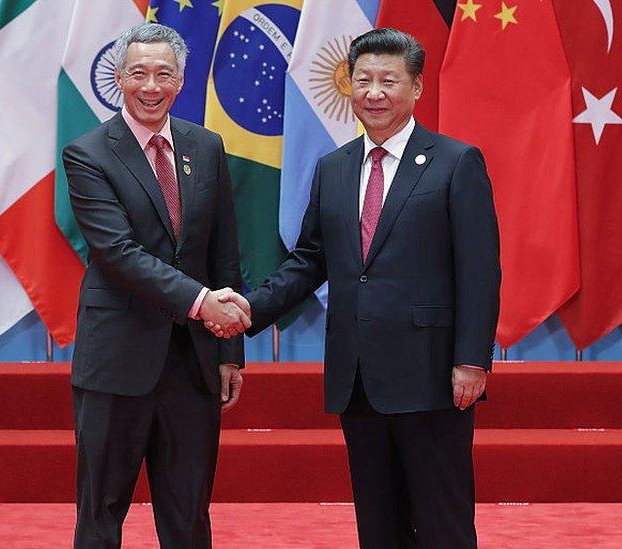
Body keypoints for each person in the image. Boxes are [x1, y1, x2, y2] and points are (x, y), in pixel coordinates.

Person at [210, 28, 501, 548]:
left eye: (389, 80)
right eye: (363, 80)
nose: (374, 92)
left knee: (442, 519)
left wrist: (472, 359)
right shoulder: (334, 167)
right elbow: (310, 261)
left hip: (432, 373)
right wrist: (247, 309)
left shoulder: (457, 162)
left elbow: (480, 269)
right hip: (357, 377)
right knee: (378, 522)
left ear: (416, 89)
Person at [63, 23, 249, 549]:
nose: (152, 85)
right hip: (117, 360)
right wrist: (202, 303)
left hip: (192, 364)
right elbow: (117, 253)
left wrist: (228, 349)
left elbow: (223, 254)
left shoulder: (206, 145)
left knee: (189, 514)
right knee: (100, 513)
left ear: (182, 80)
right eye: (139, 73)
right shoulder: (89, 154)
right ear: (118, 78)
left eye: (164, 73)